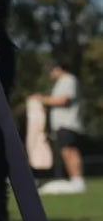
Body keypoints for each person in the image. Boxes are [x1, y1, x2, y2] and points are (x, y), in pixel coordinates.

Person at [32, 59, 87, 195]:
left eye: (51, 70)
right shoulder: (60, 83)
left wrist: (41, 99)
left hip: (68, 122)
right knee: (66, 151)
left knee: (69, 151)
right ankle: (75, 179)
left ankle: (77, 179)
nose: (50, 73)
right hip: (62, 124)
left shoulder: (69, 80)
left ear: (58, 68)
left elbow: (63, 100)